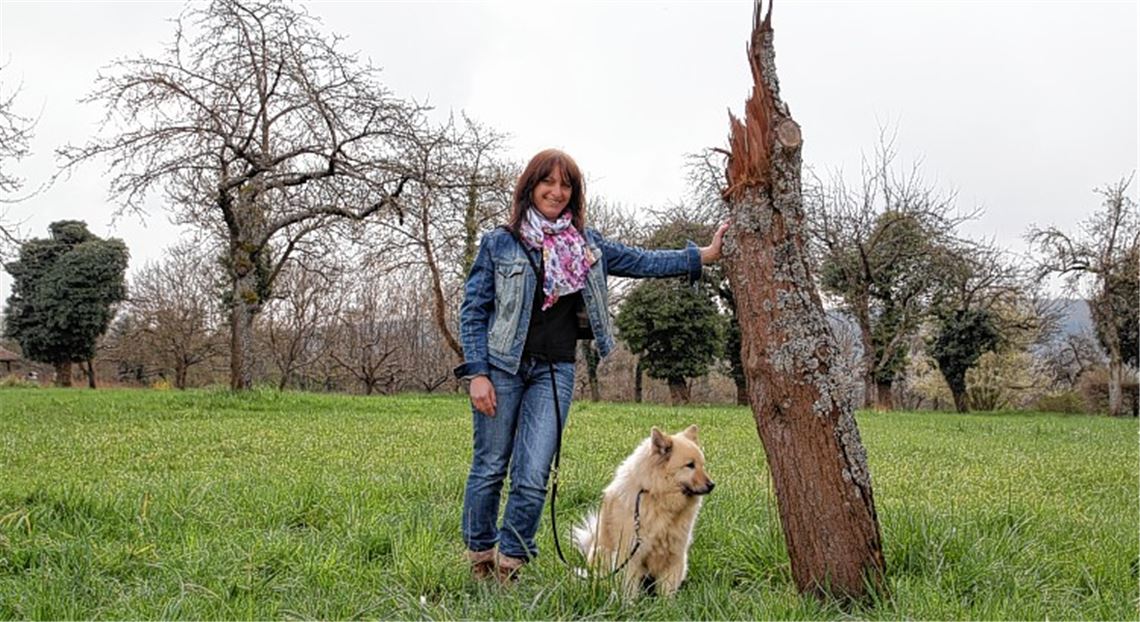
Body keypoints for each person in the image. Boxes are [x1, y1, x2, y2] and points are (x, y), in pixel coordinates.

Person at [454, 148, 728, 583]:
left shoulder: (587, 244)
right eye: (549, 182)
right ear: (530, 186)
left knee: (533, 476)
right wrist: (478, 373)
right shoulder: (499, 243)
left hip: (554, 372)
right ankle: (480, 560)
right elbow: (473, 311)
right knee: (490, 467)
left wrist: (702, 256)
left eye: (567, 185)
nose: (557, 192)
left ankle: (510, 565)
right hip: (502, 369)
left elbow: (641, 261)